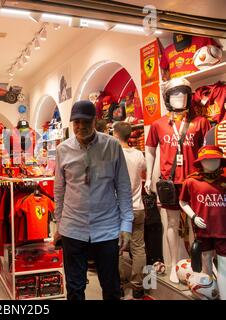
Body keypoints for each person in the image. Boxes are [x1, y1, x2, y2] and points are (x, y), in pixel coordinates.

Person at [54, 100, 133, 300]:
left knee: (111, 286)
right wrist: (60, 223)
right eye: (76, 122)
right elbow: (59, 189)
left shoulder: (112, 146)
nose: (80, 126)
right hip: (72, 228)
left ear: (95, 120)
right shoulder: (63, 150)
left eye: (85, 122)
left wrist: (126, 225)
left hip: (106, 228)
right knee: (74, 287)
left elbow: (123, 187)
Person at [145, 77, 211, 283]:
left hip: (195, 182)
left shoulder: (201, 122)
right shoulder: (158, 125)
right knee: (171, 224)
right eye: (175, 94)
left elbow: (209, 152)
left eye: (184, 94)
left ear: (190, 97)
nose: (180, 98)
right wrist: (148, 177)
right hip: (169, 182)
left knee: (195, 226)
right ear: (167, 98)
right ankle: (174, 263)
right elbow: (150, 150)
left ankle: (195, 264)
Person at [179, 145, 226, 300]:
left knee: (224, 264)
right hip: (203, 229)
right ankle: (209, 292)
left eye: (215, 159)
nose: (211, 163)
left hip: (223, 230)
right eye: (208, 160)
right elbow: (183, 202)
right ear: (201, 162)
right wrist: (193, 217)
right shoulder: (191, 181)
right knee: (205, 262)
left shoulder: (224, 181)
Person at [113, 121, 147, 299]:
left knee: (117, 247)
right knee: (138, 247)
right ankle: (138, 286)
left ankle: (118, 284)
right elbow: (144, 173)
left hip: (119, 209)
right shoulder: (139, 155)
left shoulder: (113, 154)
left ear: (115, 134)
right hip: (138, 207)